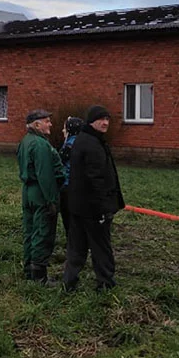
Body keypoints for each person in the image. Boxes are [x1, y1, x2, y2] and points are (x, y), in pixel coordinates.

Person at [63, 105, 124, 292]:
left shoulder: (83, 140)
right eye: (101, 119)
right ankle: (105, 284)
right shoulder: (92, 144)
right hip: (93, 209)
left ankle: (69, 282)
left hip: (78, 207)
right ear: (91, 121)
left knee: (77, 247)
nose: (105, 123)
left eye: (107, 119)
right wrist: (104, 208)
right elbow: (97, 179)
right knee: (101, 247)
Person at [17, 109, 65, 284]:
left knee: (29, 231)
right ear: (37, 124)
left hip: (28, 191)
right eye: (46, 121)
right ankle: (39, 276)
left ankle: (29, 270)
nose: (50, 124)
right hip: (41, 193)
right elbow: (45, 174)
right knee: (42, 232)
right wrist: (51, 200)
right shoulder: (40, 144)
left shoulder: (25, 141)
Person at [59, 117, 84, 240]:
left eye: (65, 128)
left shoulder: (69, 146)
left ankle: (73, 245)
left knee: (69, 220)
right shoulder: (82, 143)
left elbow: (60, 165)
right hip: (79, 188)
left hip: (68, 187)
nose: (63, 131)